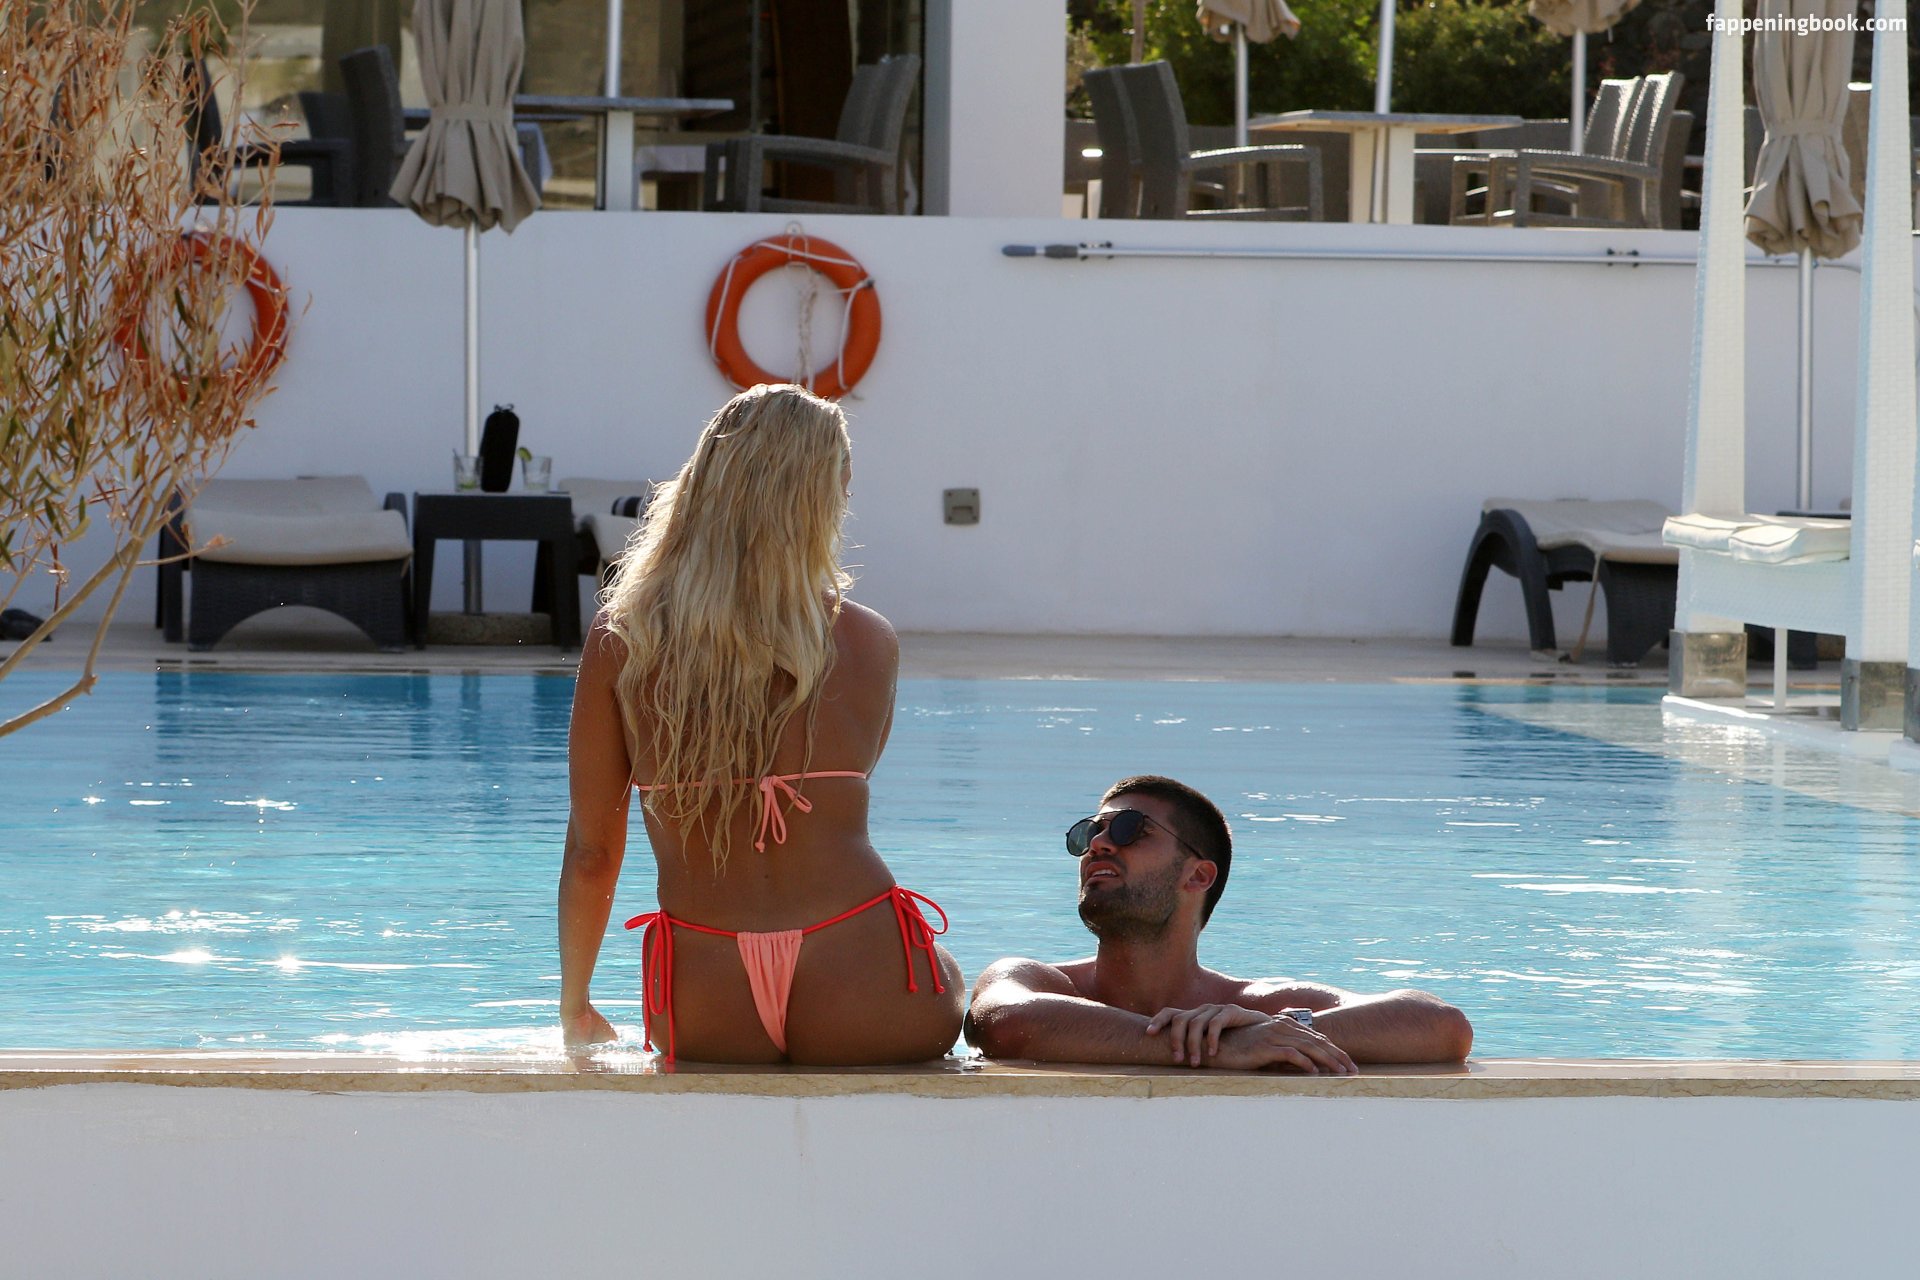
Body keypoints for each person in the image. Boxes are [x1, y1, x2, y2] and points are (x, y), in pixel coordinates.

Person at [558, 384, 963, 1064]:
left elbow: (593, 853)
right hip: (861, 969)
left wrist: (575, 1001)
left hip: (704, 988)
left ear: (703, 484)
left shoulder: (624, 639)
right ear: (823, 497)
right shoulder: (868, 641)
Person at [965, 775, 1473, 1072]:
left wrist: (1287, 1031)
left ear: (1198, 875)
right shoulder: (1040, 981)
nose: (1098, 844)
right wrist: (1218, 1048)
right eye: (1089, 833)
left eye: (1129, 829)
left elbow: (1441, 1024)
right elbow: (1005, 1023)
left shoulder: (1254, 1008)